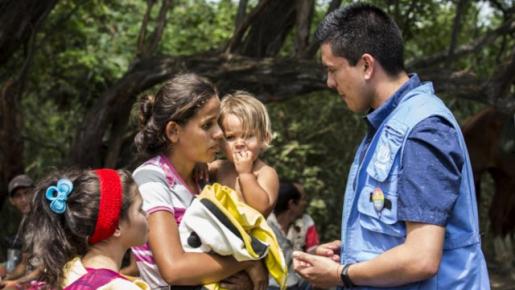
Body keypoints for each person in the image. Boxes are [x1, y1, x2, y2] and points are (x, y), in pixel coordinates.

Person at [292, 3, 490, 289]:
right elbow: (394, 236)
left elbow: (421, 257)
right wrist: (349, 255)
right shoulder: (388, 126)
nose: (329, 83)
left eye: (333, 70)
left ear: (367, 65)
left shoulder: (423, 130)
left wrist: (341, 274)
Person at [133, 74, 267, 290]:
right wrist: (247, 260)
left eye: (218, 123)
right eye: (207, 125)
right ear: (174, 131)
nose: (219, 134)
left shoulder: (204, 178)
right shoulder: (151, 179)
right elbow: (174, 269)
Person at [21, 168, 150, 289]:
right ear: (116, 226)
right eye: (139, 209)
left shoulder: (66, 273)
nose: (147, 214)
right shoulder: (120, 287)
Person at [209, 91, 279, 217]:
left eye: (248, 136)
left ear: (264, 139)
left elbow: (261, 209)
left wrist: (245, 174)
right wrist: (199, 166)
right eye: (230, 137)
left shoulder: (265, 173)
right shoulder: (217, 168)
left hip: (247, 236)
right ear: (219, 141)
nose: (239, 143)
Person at [267, 182, 319, 290]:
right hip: (270, 282)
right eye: (302, 199)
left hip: (298, 280)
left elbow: (313, 252)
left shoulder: (306, 222)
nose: (305, 203)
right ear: (291, 204)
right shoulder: (265, 223)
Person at [0, 175, 41, 289]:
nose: (23, 199)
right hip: (30, 276)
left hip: (47, 279)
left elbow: (45, 268)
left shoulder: (45, 219)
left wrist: (16, 283)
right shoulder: (25, 222)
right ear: (12, 201)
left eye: (27, 193)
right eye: (18, 196)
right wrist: (6, 280)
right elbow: (23, 264)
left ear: (35, 193)